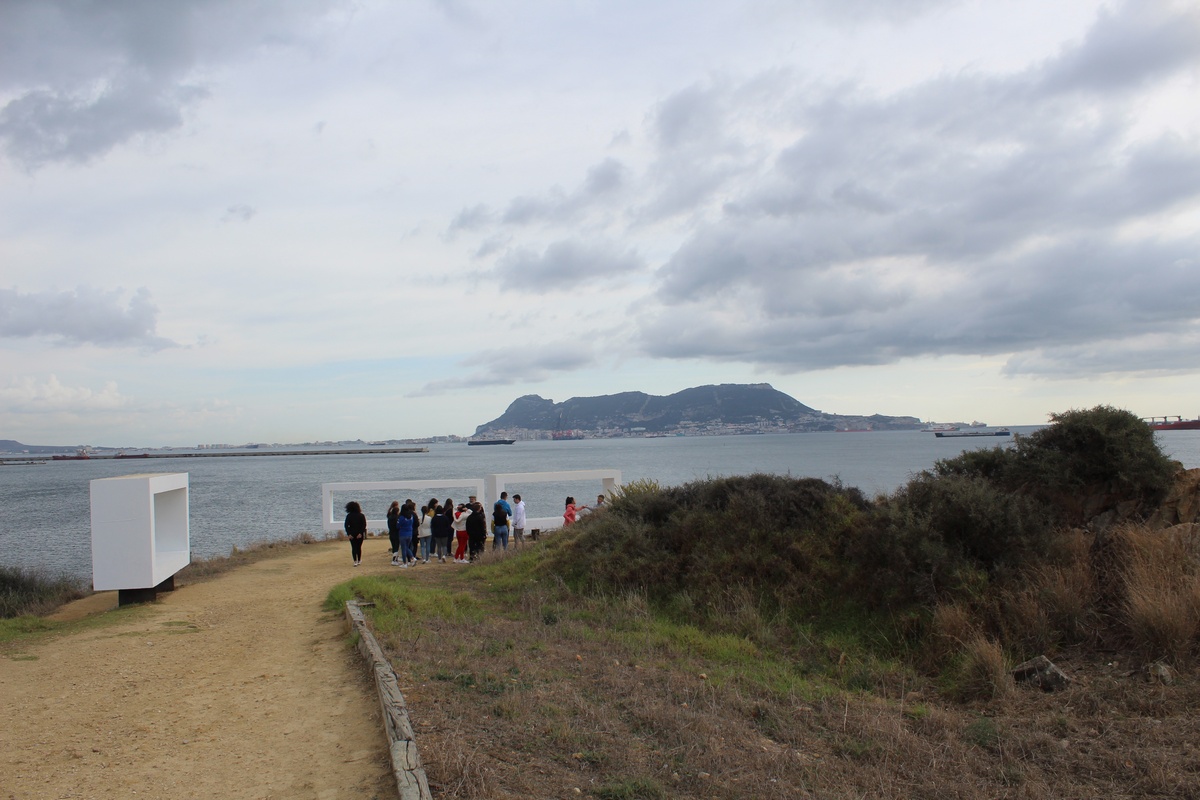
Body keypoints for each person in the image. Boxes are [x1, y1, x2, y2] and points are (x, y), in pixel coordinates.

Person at [343, 501, 367, 566]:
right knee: (359, 547)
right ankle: (359, 560)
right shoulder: (361, 515)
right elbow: (364, 525)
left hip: (352, 534)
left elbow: (346, 525)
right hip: (359, 534)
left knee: (353, 547)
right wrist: (360, 533)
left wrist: (349, 534)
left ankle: (355, 561)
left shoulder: (349, 516)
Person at [396, 502, 416, 567]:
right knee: (407, 547)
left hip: (403, 534)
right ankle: (412, 558)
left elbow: (398, 526)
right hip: (410, 533)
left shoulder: (401, 517)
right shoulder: (411, 516)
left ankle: (405, 563)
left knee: (404, 548)